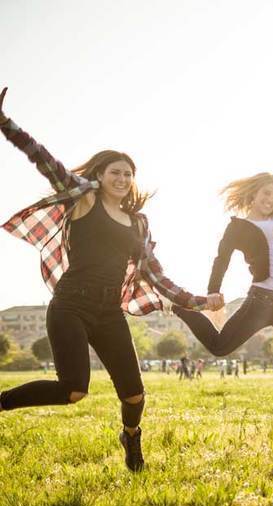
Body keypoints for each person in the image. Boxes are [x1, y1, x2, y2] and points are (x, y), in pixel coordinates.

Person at [0, 87, 220, 472]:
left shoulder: (138, 223)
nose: (122, 178)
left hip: (109, 311)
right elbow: (45, 161)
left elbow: (158, 276)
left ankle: (131, 438)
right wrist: (6, 124)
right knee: (73, 391)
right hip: (71, 304)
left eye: (128, 174)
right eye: (115, 172)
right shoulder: (84, 199)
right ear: (99, 176)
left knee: (134, 396)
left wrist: (200, 301)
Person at [172, 133, 273, 372]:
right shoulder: (238, 228)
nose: (271, 199)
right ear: (254, 194)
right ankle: (181, 308)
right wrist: (213, 291)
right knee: (220, 346)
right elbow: (221, 260)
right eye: (266, 194)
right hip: (262, 301)